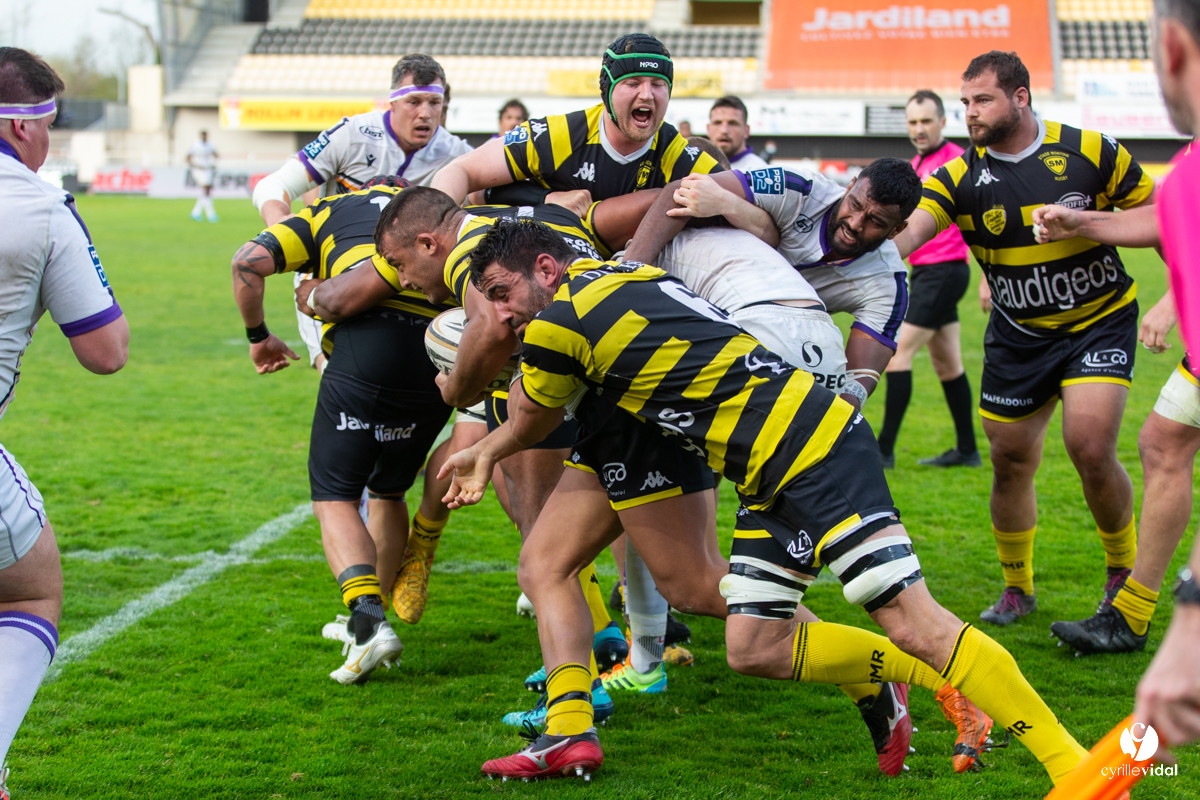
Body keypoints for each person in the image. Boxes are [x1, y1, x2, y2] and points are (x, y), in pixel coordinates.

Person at [442, 220, 1089, 785]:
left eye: (502, 293)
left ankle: (1074, 767)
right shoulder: (624, 273)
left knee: (918, 625)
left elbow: (530, 419)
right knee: (754, 647)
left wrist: (477, 437)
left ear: (546, 269)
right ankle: (919, 680)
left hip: (811, 449)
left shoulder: (558, 323)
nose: (500, 314)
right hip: (766, 469)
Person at [891, 50, 1156, 627]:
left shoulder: (1091, 151)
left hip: (1098, 321)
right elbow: (911, 232)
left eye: (982, 100)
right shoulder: (957, 176)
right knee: (1009, 461)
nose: (970, 112)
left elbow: (1160, 217)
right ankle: (1018, 589)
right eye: (965, 102)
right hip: (1017, 336)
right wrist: (866, 246)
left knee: (1090, 446)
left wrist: (1172, 301)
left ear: (1020, 97)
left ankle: (1121, 575)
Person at [232, 177, 457, 683]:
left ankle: (368, 620)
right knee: (389, 491)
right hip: (438, 359)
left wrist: (258, 336)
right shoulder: (434, 216)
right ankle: (372, 617)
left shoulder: (330, 209)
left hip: (364, 357)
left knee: (334, 496)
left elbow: (246, 262)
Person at [0, 47, 129, 787]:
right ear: (23, 127)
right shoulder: (43, 206)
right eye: (50, 124)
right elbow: (106, 352)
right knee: (28, 589)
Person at [626, 157, 921, 412]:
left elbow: (859, 379)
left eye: (875, 221)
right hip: (692, 297)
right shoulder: (799, 188)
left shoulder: (888, 283)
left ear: (896, 230)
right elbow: (680, 191)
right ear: (849, 186)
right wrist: (627, 279)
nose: (855, 223)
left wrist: (836, 419)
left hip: (766, 346)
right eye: (854, 205)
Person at [252, 53, 472, 372]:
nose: (425, 114)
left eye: (434, 103)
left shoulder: (457, 155)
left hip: (403, 284)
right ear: (392, 102)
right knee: (339, 376)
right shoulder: (352, 134)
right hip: (329, 283)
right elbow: (273, 186)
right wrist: (282, 227)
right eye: (414, 102)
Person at [431, 33, 721, 226]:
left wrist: (731, 206)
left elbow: (743, 196)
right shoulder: (561, 134)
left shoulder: (676, 151)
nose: (647, 95)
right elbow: (460, 172)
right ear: (607, 91)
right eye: (633, 83)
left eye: (658, 84)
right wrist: (435, 230)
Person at [876, 90, 979, 469]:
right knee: (948, 364)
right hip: (926, 273)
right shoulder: (916, 164)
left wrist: (988, 278)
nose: (919, 129)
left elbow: (981, 219)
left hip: (944, 272)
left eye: (926, 121)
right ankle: (967, 450)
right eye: (913, 122)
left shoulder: (958, 161)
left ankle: (883, 451)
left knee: (897, 354)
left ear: (942, 122)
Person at [706, 96, 769, 171]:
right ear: (708, 129)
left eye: (732, 123)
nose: (724, 130)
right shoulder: (696, 167)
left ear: (746, 131)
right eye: (717, 123)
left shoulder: (758, 170)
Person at [186, 129, 218, 222]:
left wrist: (213, 163)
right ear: (201, 136)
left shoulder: (210, 144)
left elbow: (216, 154)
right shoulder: (195, 145)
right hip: (199, 170)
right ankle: (210, 214)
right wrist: (195, 165)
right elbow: (187, 157)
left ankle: (196, 212)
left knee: (205, 192)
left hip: (207, 169)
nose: (204, 137)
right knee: (206, 190)